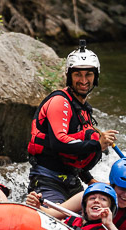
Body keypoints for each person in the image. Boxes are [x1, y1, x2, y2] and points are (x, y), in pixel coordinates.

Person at [27, 40, 118, 204]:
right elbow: (59, 143)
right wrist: (97, 144)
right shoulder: (59, 102)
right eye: (78, 74)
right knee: (59, 221)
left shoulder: (83, 108)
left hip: (71, 180)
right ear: (69, 76)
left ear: (95, 77)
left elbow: (73, 154)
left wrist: (89, 179)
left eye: (88, 74)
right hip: (47, 180)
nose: (83, 80)